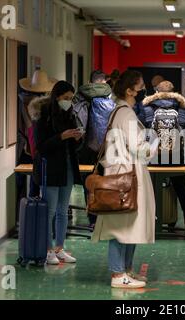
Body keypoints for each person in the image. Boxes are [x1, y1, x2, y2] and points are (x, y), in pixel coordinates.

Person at [92, 70, 158, 289]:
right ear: (130, 90)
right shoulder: (126, 114)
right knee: (121, 226)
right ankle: (118, 273)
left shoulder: (119, 111)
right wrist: (155, 144)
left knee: (127, 224)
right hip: (127, 176)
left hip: (122, 172)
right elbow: (138, 148)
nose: (142, 92)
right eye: (140, 88)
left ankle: (125, 270)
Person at [34, 81, 83, 265]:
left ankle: (59, 248)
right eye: (65, 98)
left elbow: (74, 147)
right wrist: (62, 136)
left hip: (68, 167)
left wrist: (77, 138)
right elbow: (41, 146)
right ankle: (47, 250)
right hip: (50, 169)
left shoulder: (69, 115)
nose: (68, 102)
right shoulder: (44, 116)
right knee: (50, 211)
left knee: (63, 210)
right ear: (56, 97)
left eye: (71, 98)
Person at [142, 80, 185, 231]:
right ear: (174, 91)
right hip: (175, 155)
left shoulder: (147, 107)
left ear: (156, 92)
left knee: (151, 188)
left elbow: (145, 131)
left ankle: (150, 221)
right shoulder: (181, 107)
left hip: (154, 155)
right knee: (181, 187)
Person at [72, 70, 116, 228]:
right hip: (106, 147)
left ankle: (92, 219)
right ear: (104, 81)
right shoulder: (110, 97)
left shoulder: (80, 95)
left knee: (88, 183)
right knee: (106, 181)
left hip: (85, 148)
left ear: (90, 81)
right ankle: (106, 216)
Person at [18, 69, 57, 198]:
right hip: (41, 149)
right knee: (43, 184)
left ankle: (25, 211)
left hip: (24, 149)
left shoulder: (22, 101)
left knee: (23, 184)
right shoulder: (46, 105)